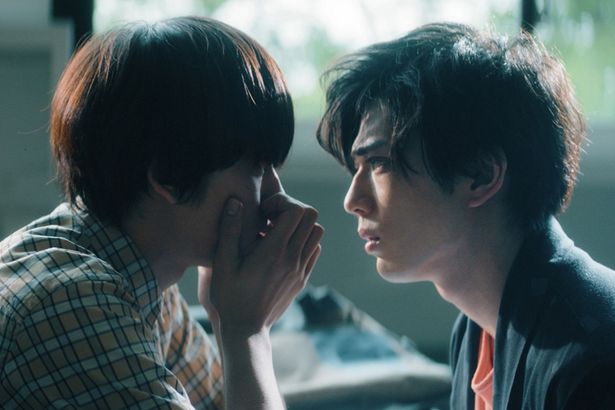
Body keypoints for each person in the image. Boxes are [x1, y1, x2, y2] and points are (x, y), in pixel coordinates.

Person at [0, 16, 324, 409]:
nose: (276, 194)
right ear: (169, 175)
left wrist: (226, 316)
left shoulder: (144, 278)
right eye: (256, 167)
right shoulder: (69, 302)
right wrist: (247, 331)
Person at [316, 22, 615, 409]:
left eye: (379, 163)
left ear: (481, 175)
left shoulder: (592, 359)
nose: (353, 200)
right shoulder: (477, 328)